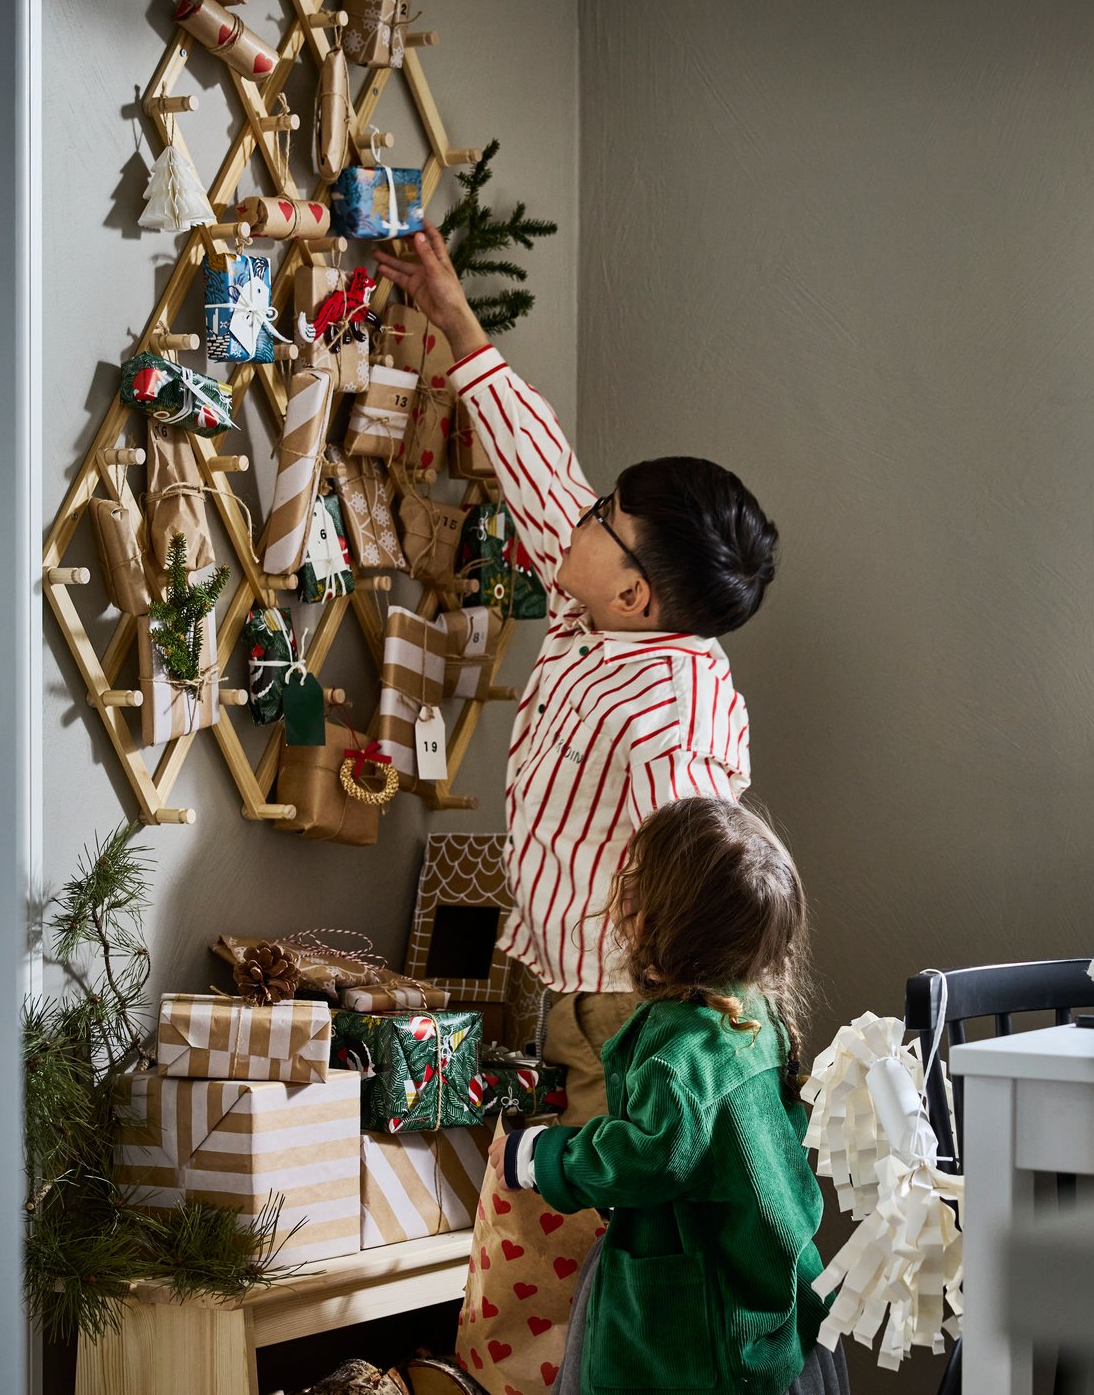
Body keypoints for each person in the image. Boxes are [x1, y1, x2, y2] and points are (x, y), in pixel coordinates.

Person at [374, 233, 780, 1124]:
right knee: (566, 1208)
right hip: (578, 997)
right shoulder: (594, 610)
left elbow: (710, 859)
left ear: (637, 590)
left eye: (604, 518)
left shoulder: (675, 708)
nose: (582, 518)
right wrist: (454, 318)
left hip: (640, 1015)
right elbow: (541, 474)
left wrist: (676, 1006)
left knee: (608, 1212)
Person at [487, 798, 847, 1395]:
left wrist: (542, 1155)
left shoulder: (679, 1052)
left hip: (697, 1317)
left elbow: (650, 1157)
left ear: (652, 918)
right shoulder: (756, 1016)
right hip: (773, 1275)